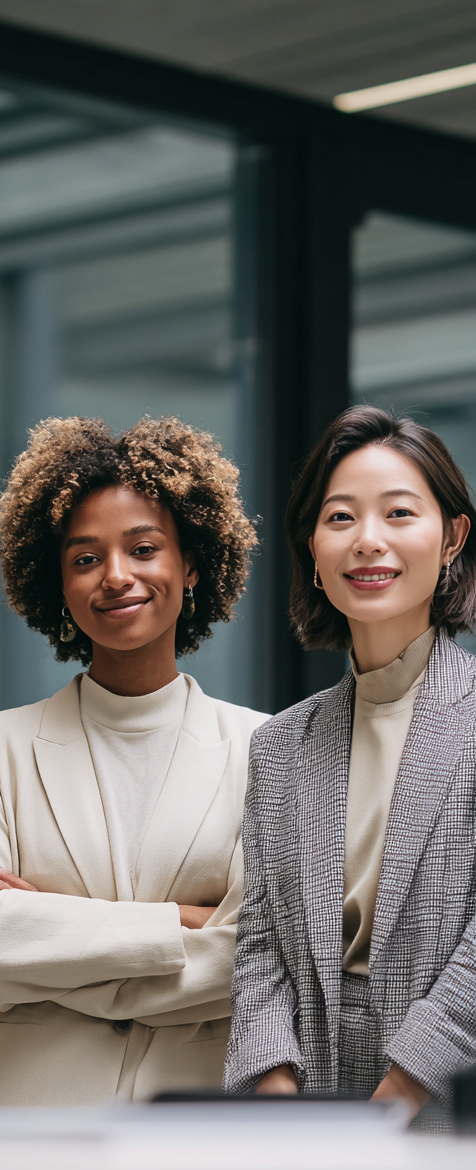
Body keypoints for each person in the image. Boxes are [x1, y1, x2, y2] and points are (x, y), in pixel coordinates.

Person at [0, 415, 266, 1109]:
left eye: (144, 548)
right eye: (85, 558)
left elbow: (256, 957)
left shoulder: (265, 750)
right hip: (20, 1123)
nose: (116, 577)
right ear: (58, 579)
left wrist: (50, 929)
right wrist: (184, 920)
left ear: (192, 562)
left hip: (191, 1123)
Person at [225, 405, 476, 1124]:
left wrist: (393, 1103)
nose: (369, 541)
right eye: (340, 518)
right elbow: (261, 947)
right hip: (304, 1100)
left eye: (399, 513)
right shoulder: (281, 744)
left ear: (453, 536)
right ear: (311, 547)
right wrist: (279, 1101)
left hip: (449, 1092)